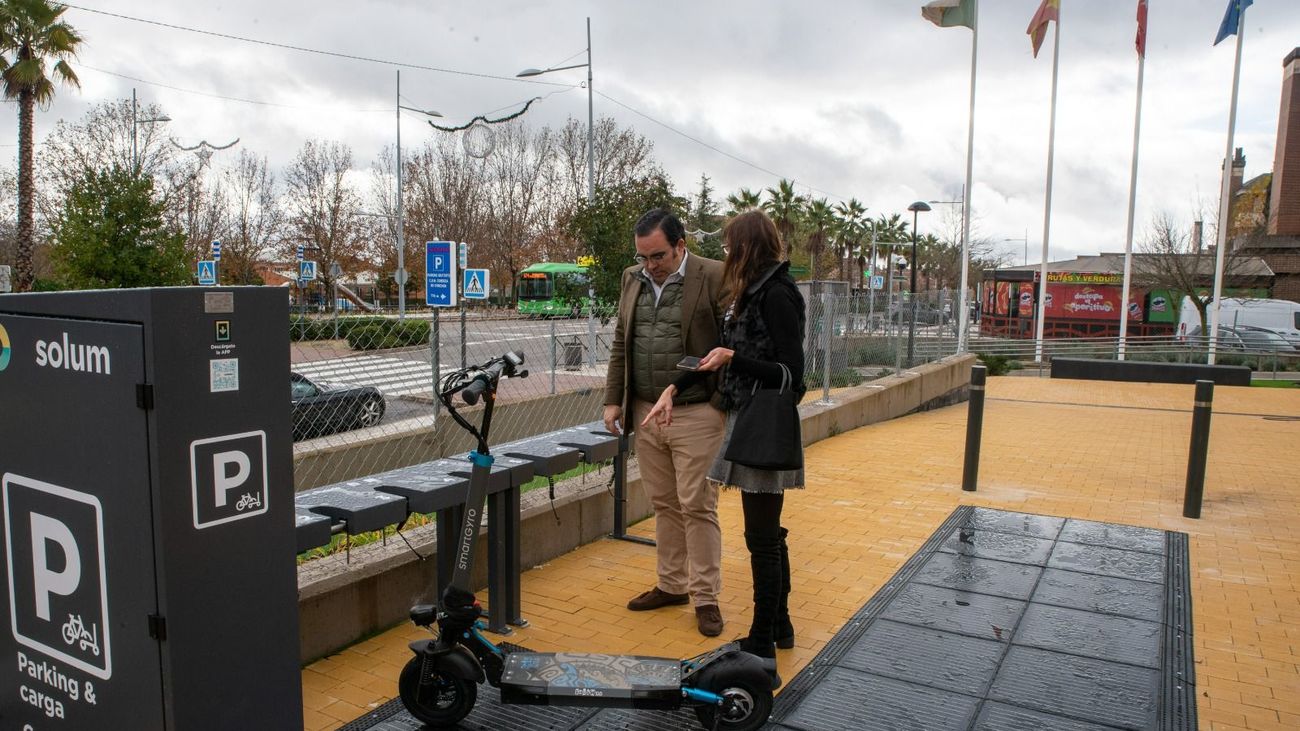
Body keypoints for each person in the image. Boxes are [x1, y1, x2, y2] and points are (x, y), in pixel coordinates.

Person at [642, 208, 805, 659]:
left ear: (748, 246)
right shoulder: (751, 291)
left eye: (732, 245)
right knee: (767, 536)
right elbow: (719, 354)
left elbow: (792, 373)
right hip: (748, 420)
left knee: (762, 540)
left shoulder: (777, 294)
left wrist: (735, 359)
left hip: (765, 425)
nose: (727, 253)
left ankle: (762, 641)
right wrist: (675, 388)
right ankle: (780, 626)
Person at [603, 208, 728, 638]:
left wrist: (719, 403)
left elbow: (733, 342)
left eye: (658, 256)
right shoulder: (632, 278)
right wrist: (613, 401)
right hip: (646, 411)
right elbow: (621, 339)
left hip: (697, 411)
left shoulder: (714, 275)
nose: (650, 265)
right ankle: (672, 585)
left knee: (698, 505)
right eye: (643, 257)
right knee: (664, 503)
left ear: (680, 246)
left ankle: (706, 597)